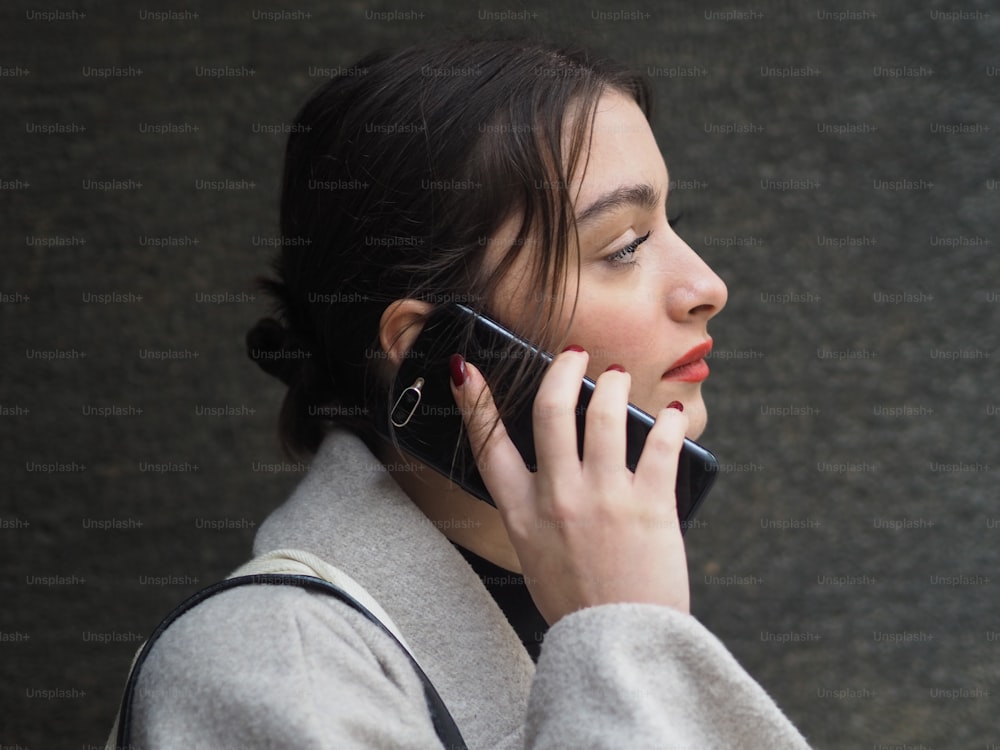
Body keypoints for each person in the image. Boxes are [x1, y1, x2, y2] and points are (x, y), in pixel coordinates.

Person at [125, 38, 812, 747]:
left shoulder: (576, 604)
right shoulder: (265, 667)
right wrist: (624, 636)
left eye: (672, 225)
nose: (707, 287)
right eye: (624, 246)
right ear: (437, 348)